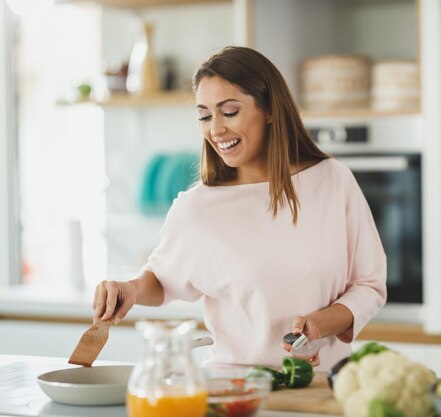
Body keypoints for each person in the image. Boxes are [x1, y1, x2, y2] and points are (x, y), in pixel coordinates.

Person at [92, 46, 387, 371]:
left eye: (229, 112)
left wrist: (324, 323)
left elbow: (369, 284)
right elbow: (163, 280)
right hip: (234, 388)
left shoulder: (332, 181)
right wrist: (128, 289)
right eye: (204, 116)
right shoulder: (197, 209)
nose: (215, 130)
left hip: (323, 386)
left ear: (271, 109)